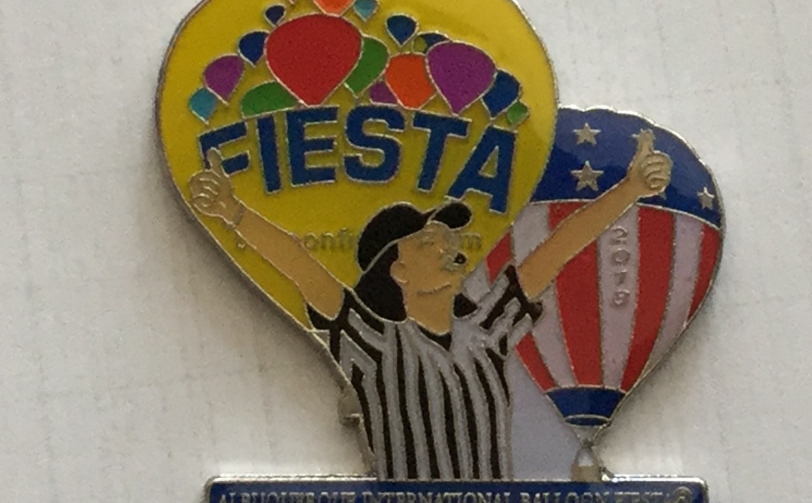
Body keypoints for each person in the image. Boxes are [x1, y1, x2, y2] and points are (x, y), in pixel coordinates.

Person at [189, 132, 671, 481]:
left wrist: (629, 190)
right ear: (397, 271)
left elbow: (555, 251)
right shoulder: (374, 342)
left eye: (447, 239)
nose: (446, 248)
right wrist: (233, 212)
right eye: (427, 243)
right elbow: (302, 268)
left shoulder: (486, 334)